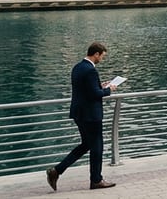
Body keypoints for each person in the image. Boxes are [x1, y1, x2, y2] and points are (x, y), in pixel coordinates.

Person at [47, 42, 119, 191]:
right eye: (102, 56)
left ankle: (56, 171)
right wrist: (109, 89)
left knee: (86, 144)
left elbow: (85, 89)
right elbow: (94, 94)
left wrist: (101, 85)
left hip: (78, 113)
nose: (102, 60)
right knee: (97, 146)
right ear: (96, 54)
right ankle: (96, 180)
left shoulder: (78, 67)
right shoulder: (91, 71)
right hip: (91, 115)